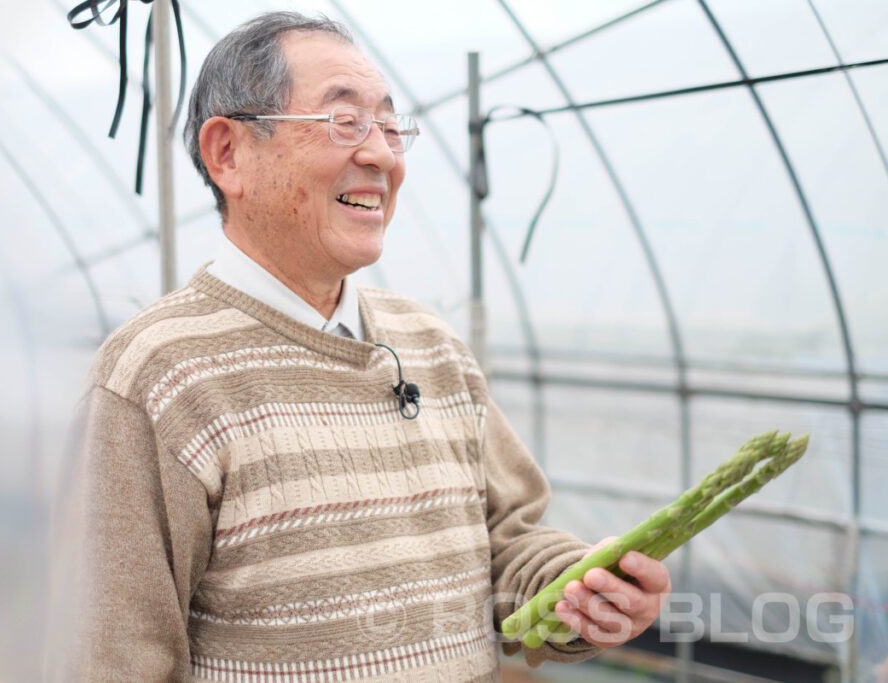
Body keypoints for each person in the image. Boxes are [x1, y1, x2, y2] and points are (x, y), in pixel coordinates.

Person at [48, 11, 670, 681]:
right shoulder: (158, 375)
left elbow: (507, 545)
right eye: (344, 122)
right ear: (227, 152)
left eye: (391, 124)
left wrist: (580, 591)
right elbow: (110, 655)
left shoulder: (432, 346)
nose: (382, 154)